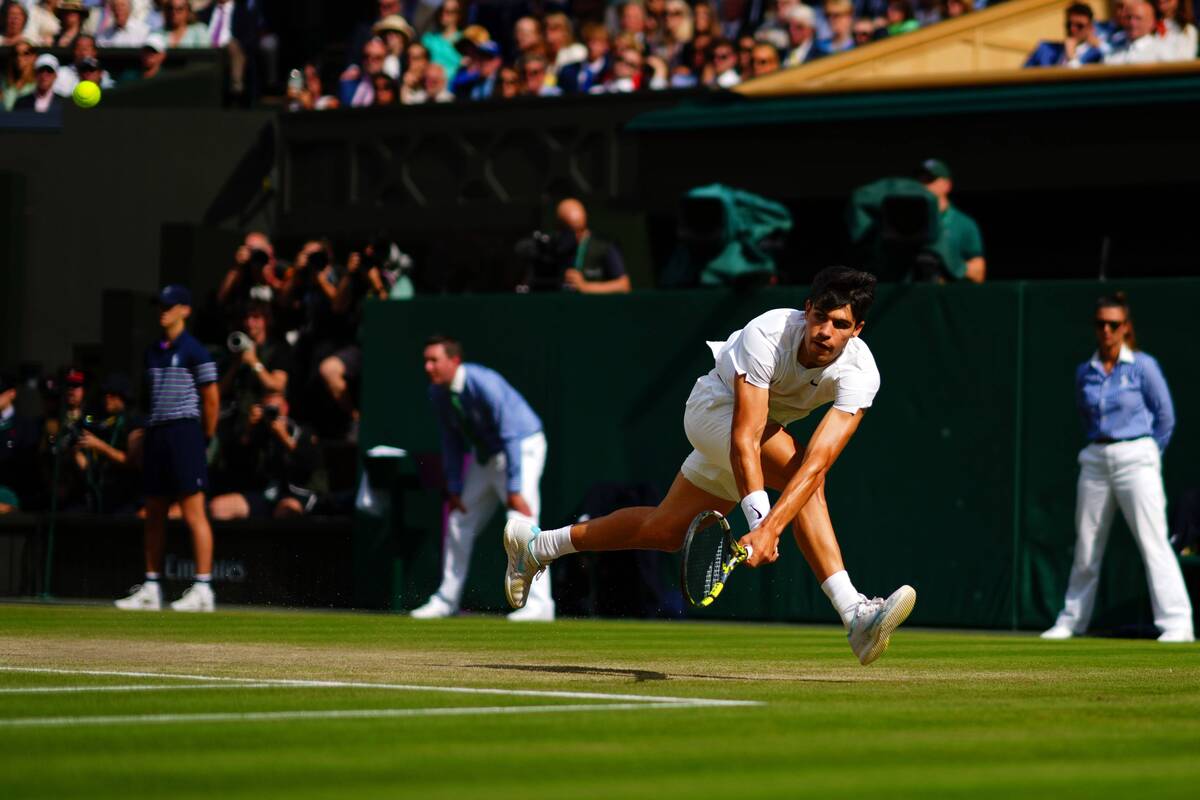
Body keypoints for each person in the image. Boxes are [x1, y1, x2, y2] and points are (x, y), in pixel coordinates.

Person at [502, 267, 915, 664]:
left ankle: (538, 546)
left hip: (759, 436)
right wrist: (761, 522)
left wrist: (769, 530)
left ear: (857, 330)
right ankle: (854, 614)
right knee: (796, 475)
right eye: (820, 316)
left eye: (840, 324)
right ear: (807, 310)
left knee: (665, 530)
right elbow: (745, 436)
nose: (825, 331)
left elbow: (818, 463)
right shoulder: (769, 332)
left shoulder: (860, 373)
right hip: (713, 411)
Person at [1041, 294, 1193, 643]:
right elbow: (1085, 416)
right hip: (1096, 458)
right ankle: (1071, 621)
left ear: (1126, 328)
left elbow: (1165, 416)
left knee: (1153, 541)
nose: (1107, 330)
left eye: (1114, 324)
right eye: (1101, 324)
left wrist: (1149, 452)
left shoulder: (1143, 366)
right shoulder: (1086, 371)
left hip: (1137, 455)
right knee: (1087, 545)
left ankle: (1178, 623)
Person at [412, 335, 554, 622]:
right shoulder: (439, 393)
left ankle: (540, 605)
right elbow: (451, 440)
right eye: (425, 361)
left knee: (521, 520)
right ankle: (447, 600)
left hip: (522, 446)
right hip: (486, 456)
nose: (428, 367)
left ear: (454, 361)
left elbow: (510, 433)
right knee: (459, 520)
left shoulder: (484, 383)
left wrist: (514, 487)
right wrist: (454, 486)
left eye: (434, 360)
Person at [115, 285, 219, 613]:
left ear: (185, 310)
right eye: (160, 306)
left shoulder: (196, 351)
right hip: (157, 432)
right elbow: (149, 399)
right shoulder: (151, 352)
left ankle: (203, 587)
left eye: (170, 306)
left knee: (193, 512)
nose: (163, 311)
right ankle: (152, 585)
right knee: (154, 511)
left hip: (185, 431)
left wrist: (205, 437)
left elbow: (211, 399)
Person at [72, 373, 143, 514]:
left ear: (123, 396)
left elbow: (130, 461)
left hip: (126, 499)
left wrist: (99, 445)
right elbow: (90, 467)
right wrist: (76, 451)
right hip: (101, 496)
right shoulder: (103, 422)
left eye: (112, 394)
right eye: (105, 395)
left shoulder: (134, 421)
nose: (107, 398)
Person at [917, 158, 986, 283]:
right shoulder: (906, 221)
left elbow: (979, 272)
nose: (923, 185)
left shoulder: (964, 224)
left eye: (930, 180)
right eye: (920, 180)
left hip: (947, 292)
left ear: (947, 185)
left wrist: (952, 265)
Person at [555, 198, 632, 294]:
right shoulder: (556, 248)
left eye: (580, 230)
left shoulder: (604, 245)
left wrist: (586, 287)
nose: (577, 236)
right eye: (570, 231)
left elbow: (624, 285)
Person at [1024, 3, 1108, 67]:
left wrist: (1071, 57)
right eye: (1069, 24)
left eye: (1079, 26)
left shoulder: (1098, 54)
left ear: (1091, 28)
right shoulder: (1045, 49)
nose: (1072, 29)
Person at [1105, 0, 1171, 63]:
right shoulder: (1113, 52)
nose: (1132, 22)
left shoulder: (1164, 52)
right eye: (1128, 17)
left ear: (1152, 23)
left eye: (1138, 18)